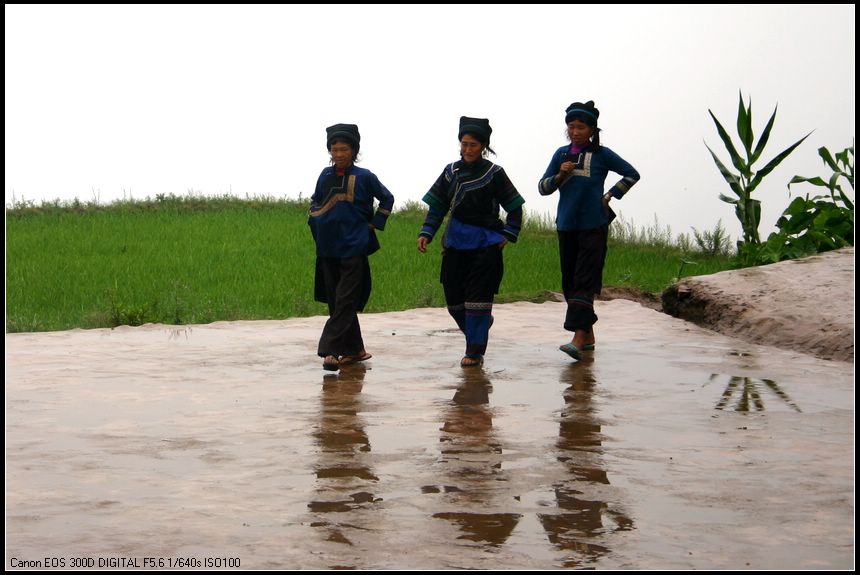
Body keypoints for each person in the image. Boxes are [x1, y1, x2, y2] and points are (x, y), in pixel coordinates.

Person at [417, 116, 525, 367]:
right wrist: (427, 233)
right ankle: (480, 327)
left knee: (478, 300)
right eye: (464, 144)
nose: (467, 149)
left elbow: (515, 208)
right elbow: (437, 207)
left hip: (485, 245)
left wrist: (508, 234)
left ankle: (474, 351)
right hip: (455, 244)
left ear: (484, 146)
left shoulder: (494, 174)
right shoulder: (450, 172)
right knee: (454, 301)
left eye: (473, 145)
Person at [539, 101, 640, 361]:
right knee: (570, 282)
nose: (575, 131)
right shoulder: (561, 155)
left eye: (581, 127)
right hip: (566, 225)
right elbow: (543, 187)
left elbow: (631, 174)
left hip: (593, 225)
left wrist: (610, 195)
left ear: (592, 129)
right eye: (571, 127)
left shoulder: (603, 155)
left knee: (585, 280)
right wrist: (560, 176)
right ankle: (589, 335)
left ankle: (577, 338)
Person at [309, 123, 394, 371]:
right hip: (327, 248)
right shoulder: (324, 175)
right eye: (334, 149)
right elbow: (316, 200)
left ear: (354, 150)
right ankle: (356, 350)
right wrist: (314, 218)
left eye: (343, 149)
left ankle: (331, 351)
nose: (338, 154)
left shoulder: (365, 177)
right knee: (337, 302)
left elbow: (387, 198)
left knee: (345, 300)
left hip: (354, 248)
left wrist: (375, 223)